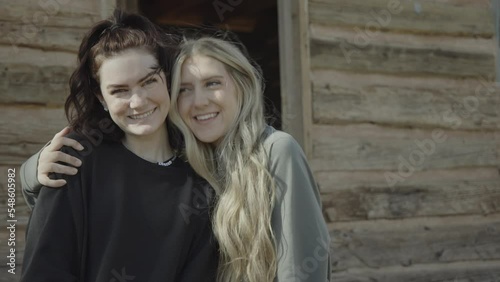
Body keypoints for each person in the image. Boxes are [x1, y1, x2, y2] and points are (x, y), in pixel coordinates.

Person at [21, 37, 330, 281]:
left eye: (213, 83)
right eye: (184, 89)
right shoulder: (197, 160)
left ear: (241, 84)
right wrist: (29, 171)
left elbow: (301, 268)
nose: (199, 101)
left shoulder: (276, 150)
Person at [20, 10, 218, 282]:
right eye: (119, 90)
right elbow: (44, 272)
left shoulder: (202, 179)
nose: (138, 102)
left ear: (168, 78)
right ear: (101, 97)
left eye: (149, 81)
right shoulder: (74, 159)